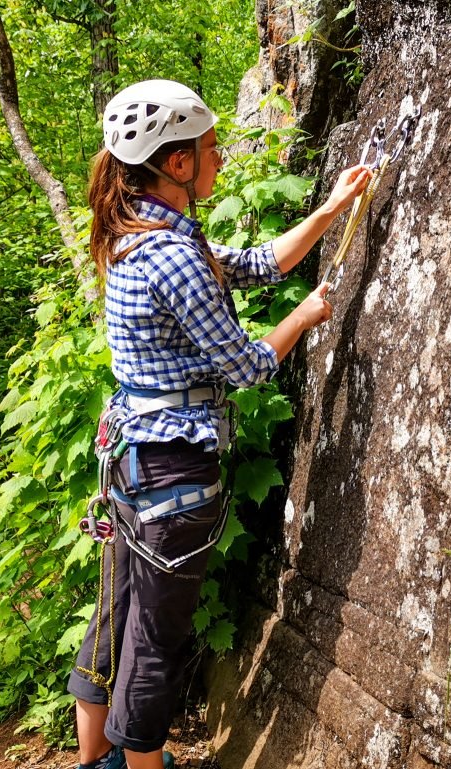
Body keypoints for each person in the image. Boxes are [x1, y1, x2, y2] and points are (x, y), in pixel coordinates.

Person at [68, 79, 371, 769]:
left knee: (115, 619)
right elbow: (246, 367)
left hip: (131, 462)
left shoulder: (135, 232)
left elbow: (255, 264)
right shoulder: (174, 256)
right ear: (177, 163)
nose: (220, 159)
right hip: (172, 473)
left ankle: (94, 763)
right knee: (153, 642)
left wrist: (330, 209)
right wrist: (303, 317)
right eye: (210, 148)